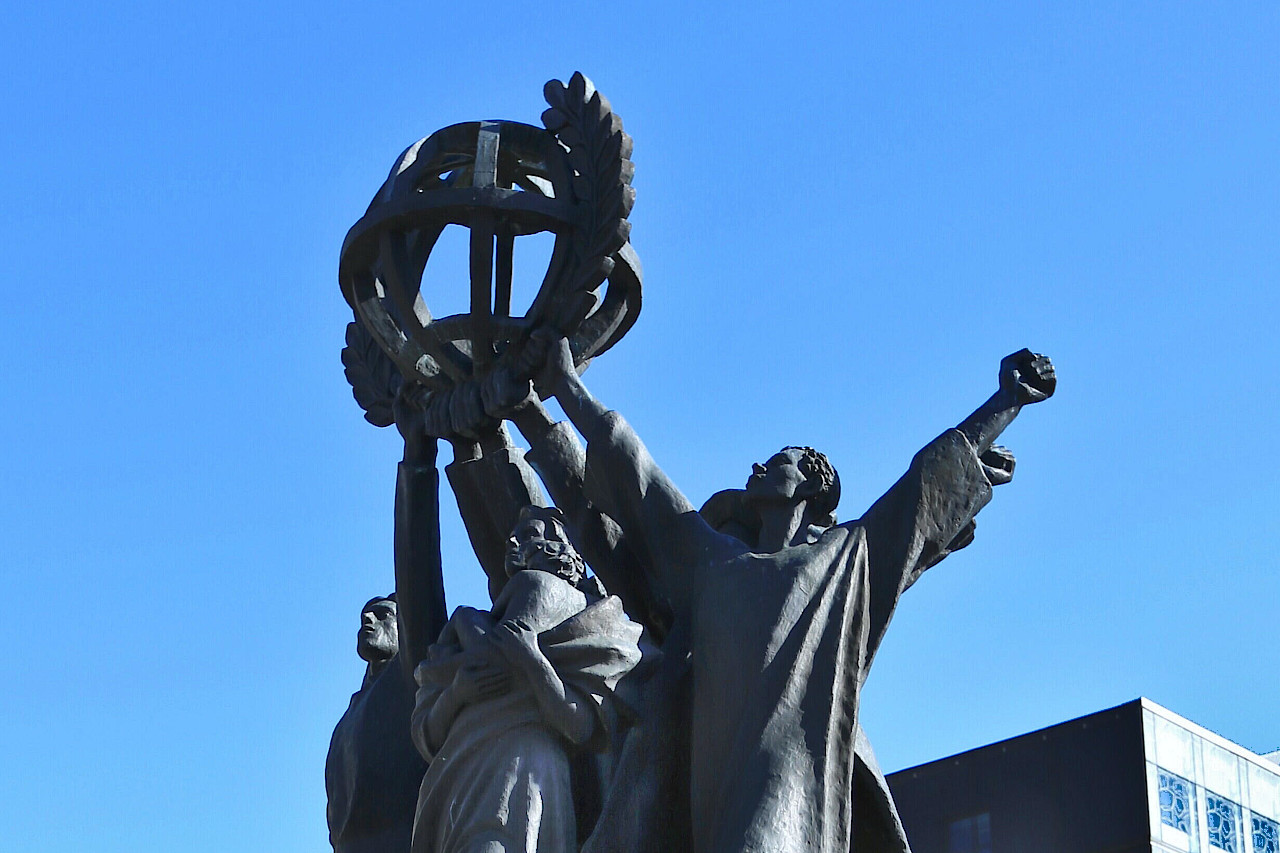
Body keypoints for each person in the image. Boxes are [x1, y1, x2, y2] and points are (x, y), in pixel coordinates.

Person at [507, 333, 1054, 853]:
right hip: (706, 803)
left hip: (788, 796)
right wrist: (560, 385)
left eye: (779, 463)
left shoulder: (840, 561)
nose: (758, 468)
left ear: (814, 485)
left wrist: (1006, 402)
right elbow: (635, 474)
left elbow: (924, 487)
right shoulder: (712, 563)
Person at [409, 505, 643, 853]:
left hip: (515, 765)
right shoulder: (592, 625)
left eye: (531, 533)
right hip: (478, 767)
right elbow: (426, 731)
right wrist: (457, 690)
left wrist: (524, 659)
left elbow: (577, 724)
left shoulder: (541, 587)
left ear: (563, 546)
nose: (514, 540)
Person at [325, 594, 428, 853]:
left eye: (383, 615)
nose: (368, 619)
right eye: (365, 616)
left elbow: (418, 590)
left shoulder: (411, 678)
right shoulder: (345, 722)